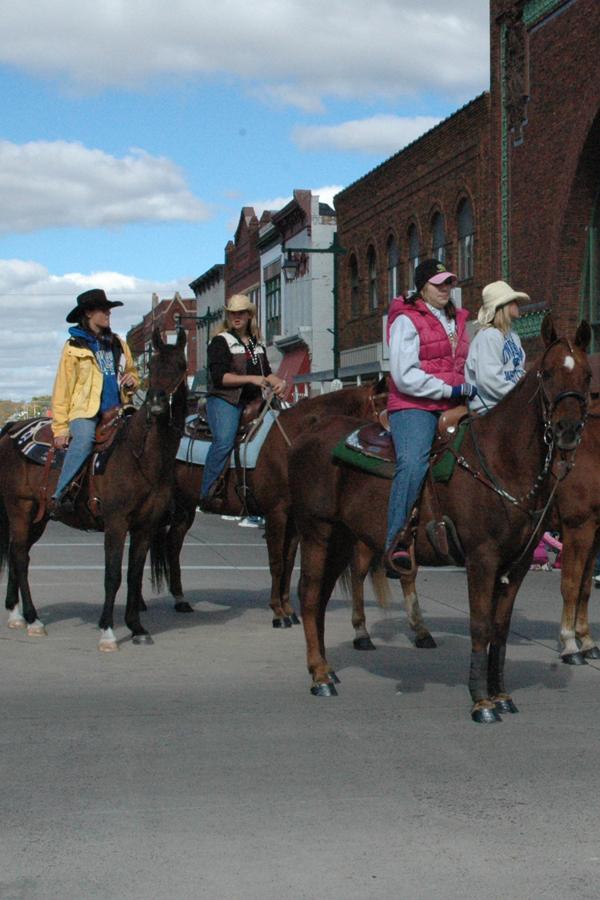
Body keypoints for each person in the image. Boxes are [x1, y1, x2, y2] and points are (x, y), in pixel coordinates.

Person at [385, 259, 475, 573]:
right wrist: (447, 391)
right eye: (439, 283)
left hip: (453, 401)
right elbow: (403, 374)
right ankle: (396, 540)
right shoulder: (406, 319)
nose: (445, 289)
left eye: (449, 282)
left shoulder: (459, 320)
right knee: (412, 461)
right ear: (423, 286)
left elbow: (464, 365)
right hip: (413, 404)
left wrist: (470, 387)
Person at [50, 289, 139, 513]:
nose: (108, 312)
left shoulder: (118, 343)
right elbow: (62, 389)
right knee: (83, 441)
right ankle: (60, 493)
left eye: (109, 309)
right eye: (103, 309)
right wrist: (60, 428)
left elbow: (133, 373)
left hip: (118, 409)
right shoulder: (73, 347)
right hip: (85, 412)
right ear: (89, 313)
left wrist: (132, 381)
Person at [199, 294, 286, 512]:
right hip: (225, 400)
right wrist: (252, 379)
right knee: (224, 440)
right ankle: (208, 491)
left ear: (249, 315)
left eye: (241, 313)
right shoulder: (220, 341)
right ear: (228, 316)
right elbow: (220, 377)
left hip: (255, 400)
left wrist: (278, 382)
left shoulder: (256, 344)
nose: (237, 317)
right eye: (233, 313)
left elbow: (266, 372)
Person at [465, 280, 528, 414]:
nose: (518, 304)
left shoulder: (513, 336)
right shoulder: (489, 336)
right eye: (513, 301)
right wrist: (521, 395)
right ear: (503, 306)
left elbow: (518, 371)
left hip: (511, 404)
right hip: (490, 409)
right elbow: (489, 380)